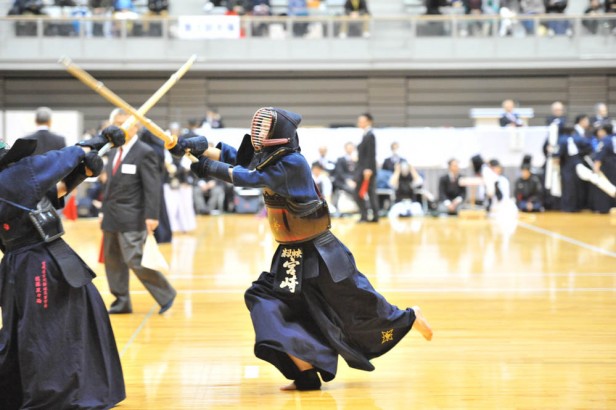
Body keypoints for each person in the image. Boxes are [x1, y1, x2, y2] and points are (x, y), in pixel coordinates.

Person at [184, 106, 433, 391]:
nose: (259, 132)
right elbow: (240, 159)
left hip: (320, 252)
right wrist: (197, 148)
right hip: (290, 254)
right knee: (267, 301)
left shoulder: (292, 162)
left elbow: (248, 176)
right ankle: (305, 373)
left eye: (265, 128)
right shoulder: (270, 157)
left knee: (354, 304)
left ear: (279, 133)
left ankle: (409, 317)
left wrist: (207, 167)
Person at [0, 128, 126, 409]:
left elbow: (51, 192)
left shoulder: (15, 182)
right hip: (34, 264)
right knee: (44, 331)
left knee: (75, 316)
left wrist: (83, 173)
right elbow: (51, 162)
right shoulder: (10, 180)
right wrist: (92, 144)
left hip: (45, 258)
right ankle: (53, 394)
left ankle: (77, 387)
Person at [101, 108, 177, 314]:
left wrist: (152, 215)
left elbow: (152, 187)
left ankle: (166, 294)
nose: (121, 128)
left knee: (135, 259)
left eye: (125, 124)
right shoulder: (112, 150)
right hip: (111, 216)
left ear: (136, 127)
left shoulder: (145, 152)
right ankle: (121, 300)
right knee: (113, 261)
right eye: (117, 124)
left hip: (132, 216)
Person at [353, 112, 379, 223]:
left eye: (361, 121)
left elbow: (370, 154)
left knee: (367, 193)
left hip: (366, 170)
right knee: (363, 193)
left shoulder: (370, 135)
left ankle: (371, 216)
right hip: (362, 169)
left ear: (368, 121)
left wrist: (368, 169)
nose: (359, 123)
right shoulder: (365, 134)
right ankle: (367, 216)